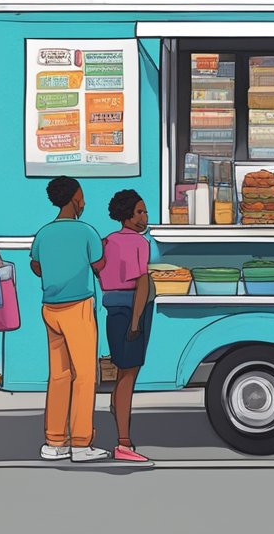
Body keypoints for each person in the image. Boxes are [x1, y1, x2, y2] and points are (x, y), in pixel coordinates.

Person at [30, 176, 109, 463]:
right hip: (78, 307)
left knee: (59, 375)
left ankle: (54, 441)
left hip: (50, 309)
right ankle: (80, 442)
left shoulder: (44, 233)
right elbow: (99, 265)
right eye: (82, 196)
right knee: (85, 375)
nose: (84, 201)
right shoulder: (87, 232)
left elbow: (35, 266)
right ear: (75, 199)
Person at [99, 189, 154, 465]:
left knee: (122, 371)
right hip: (132, 309)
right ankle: (123, 442)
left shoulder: (106, 241)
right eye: (140, 212)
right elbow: (142, 283)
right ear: (128, 216)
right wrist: (136, 321)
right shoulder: (138, 243)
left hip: (112, 308)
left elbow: (100, 272)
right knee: (128, 377)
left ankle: (115, 410)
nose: (145, 217)